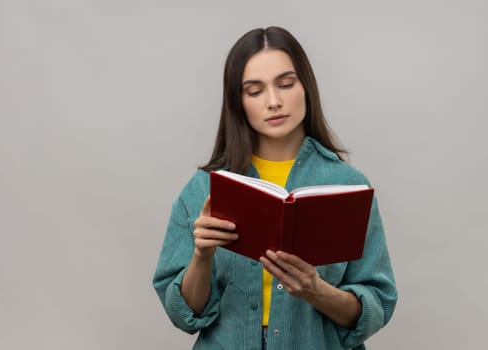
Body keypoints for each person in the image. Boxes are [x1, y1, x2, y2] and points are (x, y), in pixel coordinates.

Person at [153, 26, 397, 350]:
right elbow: (184, 315)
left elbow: (376, 304)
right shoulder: (204, 189)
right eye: (255, 91)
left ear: (305, 87)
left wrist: (315, 290)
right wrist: (202, 255)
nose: (274, 101)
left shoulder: (349, 186)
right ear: (238, 102)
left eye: (286, 84)